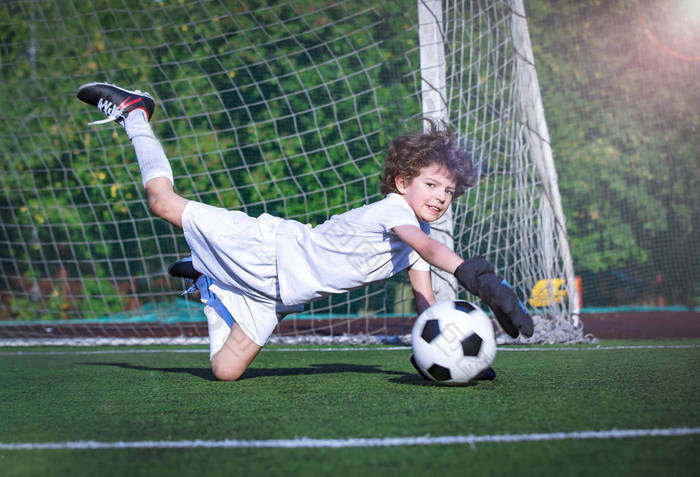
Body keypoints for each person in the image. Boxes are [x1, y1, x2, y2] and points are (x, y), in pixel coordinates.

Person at [76, 82, 534, 381]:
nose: (439, 196)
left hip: (277, 296)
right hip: (268, 250)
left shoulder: (413, 231)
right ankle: (135, 112)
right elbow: (430, 247)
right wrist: (480, 278)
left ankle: (207, 282)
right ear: (402, 183)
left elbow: (425, 301)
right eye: (431, 184)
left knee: (225, 371)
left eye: (449, 191)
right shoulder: (393, 210)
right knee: (161, 202)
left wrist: (452, 348)